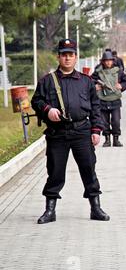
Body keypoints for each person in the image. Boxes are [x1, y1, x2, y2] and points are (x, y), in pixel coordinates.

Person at [31, 38, 109, 224]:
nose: (67, 58)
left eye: (71, 55)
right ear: (58, 57)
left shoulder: (86, 81)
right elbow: (36, 101)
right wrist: (47, 110)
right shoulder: (48, 81)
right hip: (57, 133)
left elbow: (95, 107)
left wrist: (96, 130)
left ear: (76, 57)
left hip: (82, 130)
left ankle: (95, 208)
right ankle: (50, 210)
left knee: (88, 169)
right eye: (64, 55)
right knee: (55, 171)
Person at [91, 51, 126, 147]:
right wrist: (95, 87)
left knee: (116, 121)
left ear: (113, 61)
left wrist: (121, 86)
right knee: (104, 122)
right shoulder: (98, 72)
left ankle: (116, 139)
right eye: (106, 61)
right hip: (102, 100)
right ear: (103, 61)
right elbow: (89, 82)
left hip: (115, 100)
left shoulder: (118, 71)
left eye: (110, 60)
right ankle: (107, 139)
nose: (108, 63)